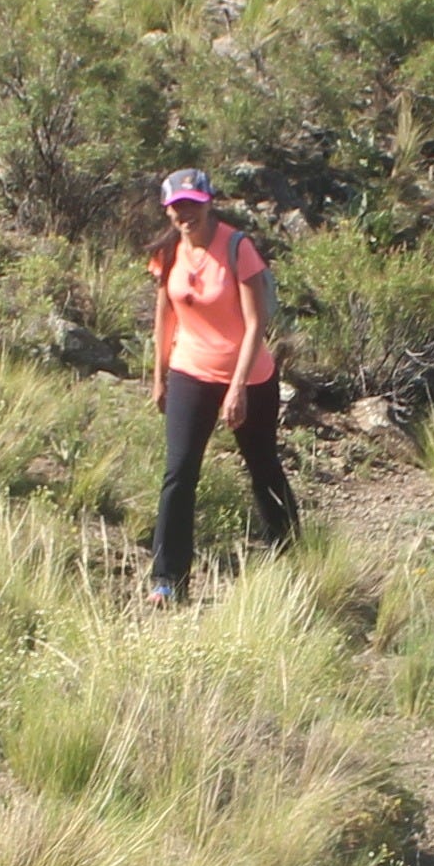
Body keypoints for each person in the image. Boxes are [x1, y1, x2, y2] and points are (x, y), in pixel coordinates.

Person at [145, 168, 296, 605]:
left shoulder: (237, 247)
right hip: (190, 370)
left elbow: (255, 324)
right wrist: (159, 375)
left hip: (248, 376)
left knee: (262, 467)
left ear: (209, 202)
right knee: (178, 472)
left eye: (192, 204)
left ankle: (289, 557)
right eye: (176, 207)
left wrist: (237, 387)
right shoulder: (168, 250)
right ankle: (168, 579)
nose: (185, 214)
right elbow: (165, 314)